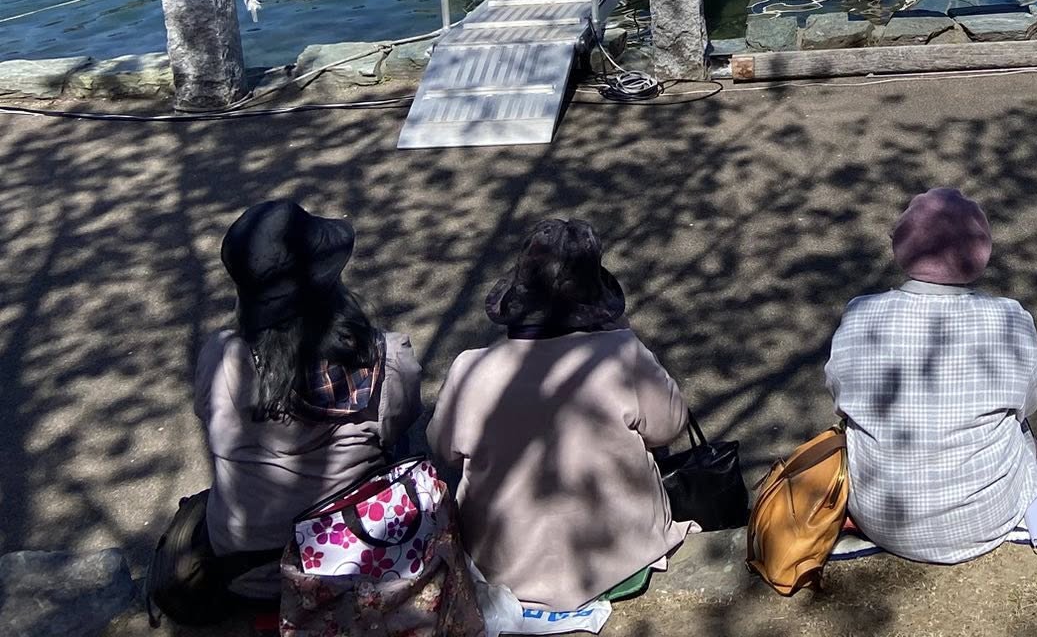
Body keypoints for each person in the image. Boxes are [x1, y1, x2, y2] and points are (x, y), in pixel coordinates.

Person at [429, 220, 689, 612]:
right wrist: (623, 336)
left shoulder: (471, 368)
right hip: (621, 556)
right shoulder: (621, 353)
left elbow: (440, 449)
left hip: (502, 563)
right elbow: (671, 425)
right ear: (595, 297)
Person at [193, 201, 422, 600]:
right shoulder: (384, 356)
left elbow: (208, 417)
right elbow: (402, 421)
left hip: (245, 572)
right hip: (351, 560)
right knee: (402, 441)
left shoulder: (219, 355)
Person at [827, 189, 1037, 563]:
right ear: (980, 252)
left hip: (881, 518)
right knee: (1021, 430)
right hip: (987, 518)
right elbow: (1030, 401)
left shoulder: (860, 315)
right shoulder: (1010, 319)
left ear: (903, 244)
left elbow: (839, 396)